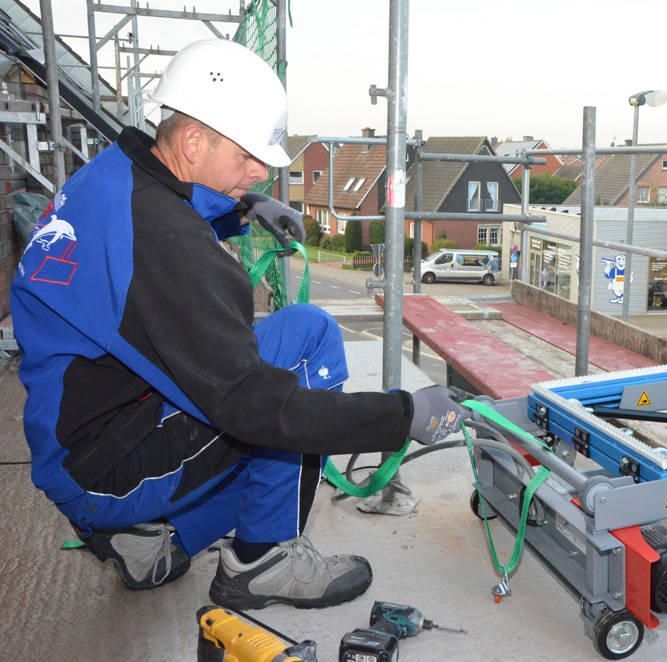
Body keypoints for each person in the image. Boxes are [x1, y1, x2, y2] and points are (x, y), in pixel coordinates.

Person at [11, 39, 468, 611]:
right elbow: (257, 407)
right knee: (302, 363)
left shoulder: (114, 176)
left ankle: (143, 541)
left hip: (81, 436)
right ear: (193, 140)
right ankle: (261, 560)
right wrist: (401, 417)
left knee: (294, 342)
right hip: (105, 473)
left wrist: (240, 209)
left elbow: (154, 224)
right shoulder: (169, 246)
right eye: (248, 156)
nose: (260, 171)